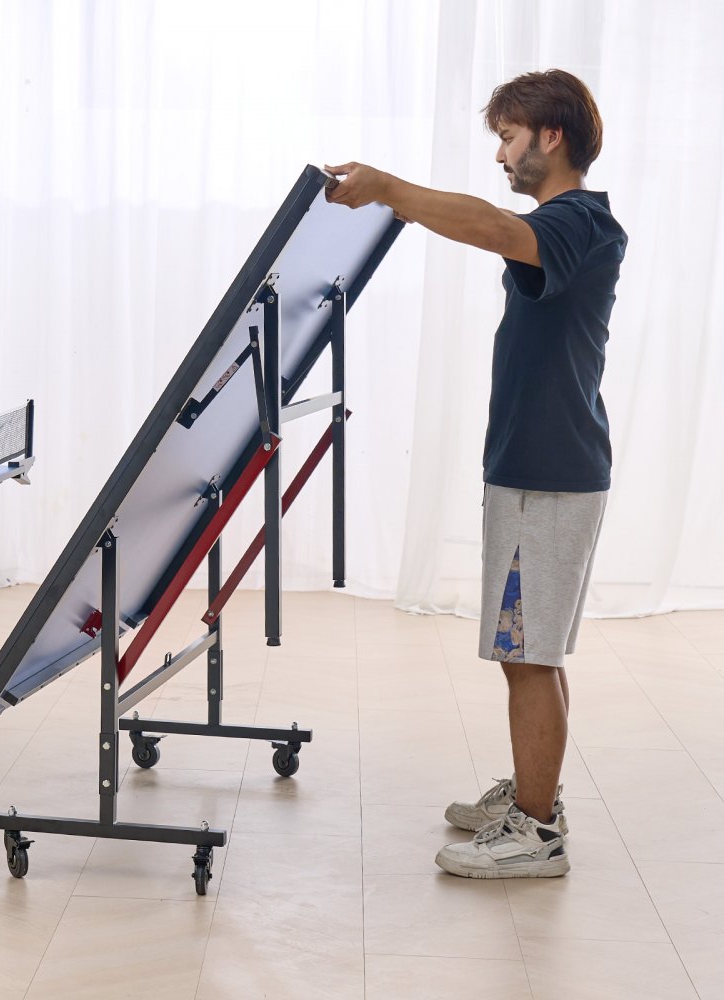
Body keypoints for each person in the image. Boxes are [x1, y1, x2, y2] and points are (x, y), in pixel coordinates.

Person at [326, 68, 626, 878]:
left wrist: (391, 190)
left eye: (508, 136)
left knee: (528, 655)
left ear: (550, 135)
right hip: (536, 468)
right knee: (533, 651)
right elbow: (501, 226)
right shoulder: (570, 224)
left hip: (549, 474)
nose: (499, 154)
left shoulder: (577, 222)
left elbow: (494, 227)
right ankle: (536, 797)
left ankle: (537, 833)